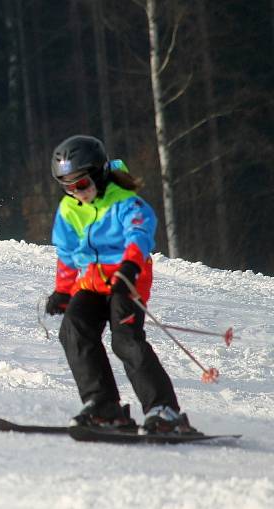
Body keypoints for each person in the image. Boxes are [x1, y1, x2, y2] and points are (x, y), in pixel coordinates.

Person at [44, 134, 196, 435]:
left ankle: (163, 410)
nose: (76, 192)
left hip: (127, 279)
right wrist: (63, 290)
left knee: (125, 339)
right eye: (67, 186)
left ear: (99, 174)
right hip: (91, 282)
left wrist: (128, 267)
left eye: (82, 183)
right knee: (73, 329)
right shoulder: (69, 208)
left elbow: (140, 234)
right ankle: (103, 406)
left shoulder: (125, 200)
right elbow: (67, 253)